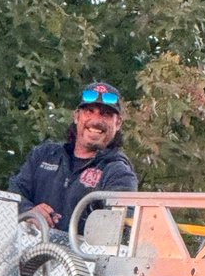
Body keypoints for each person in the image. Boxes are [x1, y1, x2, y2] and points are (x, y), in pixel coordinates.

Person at [8, 81, 138, 230]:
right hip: (31, 244)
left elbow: (121, 229)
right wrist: (30, 212)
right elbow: (13, 195)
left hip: (79, 246)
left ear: (118, 123)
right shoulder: (44, 154)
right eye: (89, 111)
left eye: (106, 114)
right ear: (76, 116)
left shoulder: (118, 173)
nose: (96, 120)